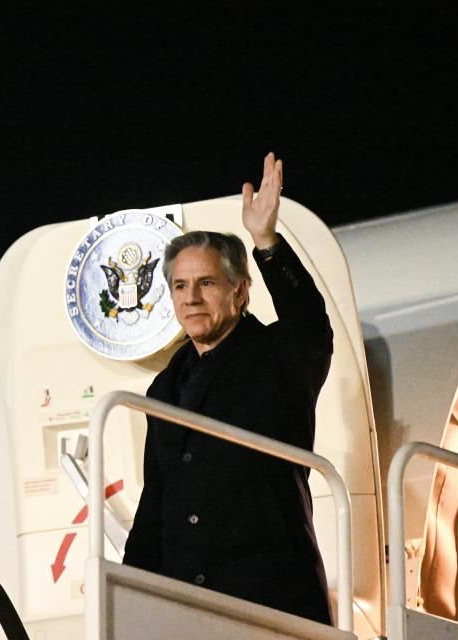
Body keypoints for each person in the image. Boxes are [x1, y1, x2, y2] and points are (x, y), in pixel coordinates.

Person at [122, 152, 334, 624]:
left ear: (240, 292)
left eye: (206, 283)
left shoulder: (277, 358)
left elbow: (310, 327)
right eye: (179, 286)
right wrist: (129, 602)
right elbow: (156, 503)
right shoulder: (164, 388)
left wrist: (267, 241)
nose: (191, 298)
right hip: (190, 608)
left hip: (270, 597)